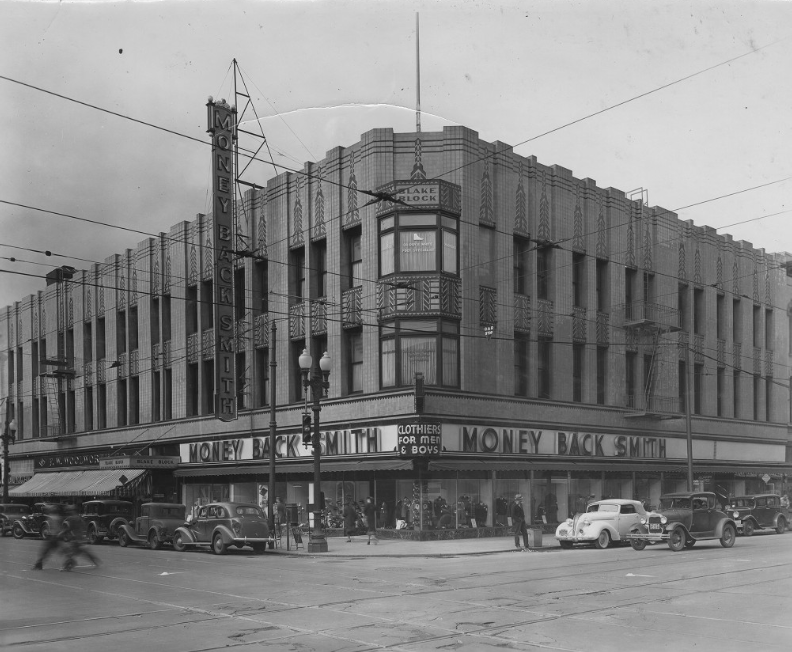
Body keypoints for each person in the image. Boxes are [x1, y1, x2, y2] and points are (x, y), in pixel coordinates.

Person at [60, 505, 100, 571]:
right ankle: (95, 561)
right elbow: (82, 526)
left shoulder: (71, 518)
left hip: (76, 539)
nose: (67, 512)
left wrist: (60, 533)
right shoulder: (79, 518)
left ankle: (68, 566)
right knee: (84, 552)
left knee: (71, 553)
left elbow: (68, 528)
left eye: (68, 511)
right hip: (81, 538)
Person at [31, 504, 66, 570]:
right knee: (61, 551)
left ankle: (39, 564)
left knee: (45, 551)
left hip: (53, 536)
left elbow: (54, 527)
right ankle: (69, 561)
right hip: (56, 536)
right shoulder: (58, 517)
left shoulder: (52, 517)